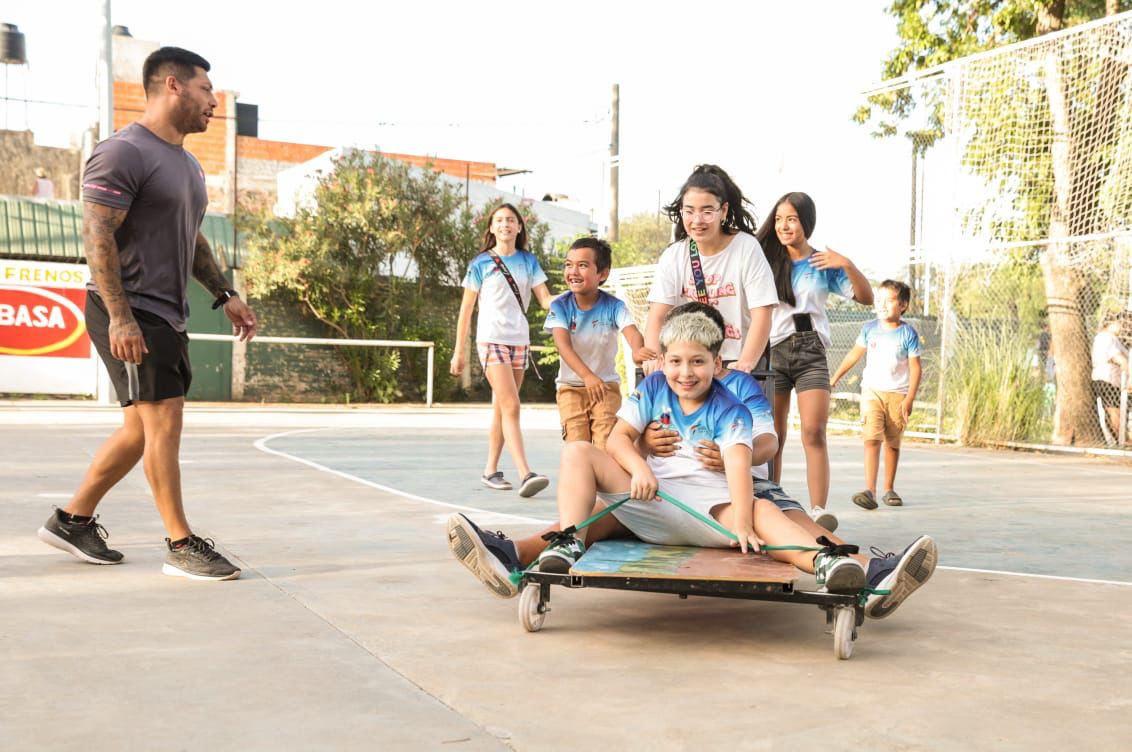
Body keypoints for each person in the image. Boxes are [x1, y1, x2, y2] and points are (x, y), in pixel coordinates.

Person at [448, 304, 937, 620]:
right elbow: (618, 438)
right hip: (653, 498)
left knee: (774, 518)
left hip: (712, 503)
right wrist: (639, 461)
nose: (685, 372)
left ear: (717, 364)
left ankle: (843, 567)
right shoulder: (655, 385)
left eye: (698, 362)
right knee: (579, 454)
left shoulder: (734, 402)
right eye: (676, 361)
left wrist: (743, 522)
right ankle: (546, 547)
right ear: (663, 359)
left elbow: (750, 464)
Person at [36, 47, 257, 581]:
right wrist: (121, 316)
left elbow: (190, 236)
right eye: (207, 91)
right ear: (173, 86)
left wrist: (223, 291)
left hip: (165, 310)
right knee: (164, 420)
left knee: (141, 428)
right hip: (129, 306)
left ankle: (72, 520)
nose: (213, 104)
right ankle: (181, 543)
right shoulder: (123, 152)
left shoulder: (186, 163)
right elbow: (97, 234)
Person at [755, 192, 873, 532]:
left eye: (791, 219)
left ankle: (818, 509)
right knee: (773, 432)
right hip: (773, 350)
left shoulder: (822, 263)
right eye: (778, 219)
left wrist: (846, 264)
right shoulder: (764, 260)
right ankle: (770, 500)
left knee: (813, 432)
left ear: (806, 221)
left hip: (811, 353)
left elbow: (866, 298)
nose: (783, 226)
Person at [450, 202, 553, 497]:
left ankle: (490, 471)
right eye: (499, 220)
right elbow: (466, 310)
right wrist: (459, 351)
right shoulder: (480, 263)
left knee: (501, 408)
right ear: (492, 228)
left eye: (511, 220)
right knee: (511, 406)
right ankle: (525, 473)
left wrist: (576, 297)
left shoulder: (529, 261)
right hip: (491, 340)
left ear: (519, 227)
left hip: (519, 340)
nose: (505, 224)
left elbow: (545, 299)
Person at [643, 164, 778, 376]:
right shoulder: (674, 255)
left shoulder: (746, 247)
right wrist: (653, 357)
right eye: (689, 211)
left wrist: (746, 362)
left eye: (707, 211)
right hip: (689, 364)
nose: (697, 220)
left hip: (735, 363)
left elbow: (762, 313)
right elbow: (657, 315)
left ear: (723, 211)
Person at [545, 237, 653, 448]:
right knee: (578, 448)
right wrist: (587, 376)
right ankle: (582, 481)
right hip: (570, 388)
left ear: (602, 274)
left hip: (605, 388)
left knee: (606, 445)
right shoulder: (560, 306)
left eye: (583, 265)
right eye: (569, 264)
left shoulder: (614, 306)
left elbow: (631, 332)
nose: (573, 271)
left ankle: (605, 481)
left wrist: (638, 350)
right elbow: (563, 345)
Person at [831, 280, 922, 509]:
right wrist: (835, 377)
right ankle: (869, 490)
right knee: (871, 439)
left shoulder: (908, 333)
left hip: (898, 395)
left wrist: (909, 398)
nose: (881, 305)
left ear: (902, 305)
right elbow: (854, 354)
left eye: (889, 300)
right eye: (879, 300)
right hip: (871, 392)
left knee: (892, 443)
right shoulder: (869, 329)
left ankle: (888, 489)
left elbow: (915, 368)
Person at [1091, 312, 1130, 443]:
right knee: (1114, 413)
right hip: (1108, 380)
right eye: (1120, 323)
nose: (1123, 326)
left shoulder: (1107, 338)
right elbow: (1119, 359)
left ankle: (1121, 440)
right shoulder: (1108, 338)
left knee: (1113, 412)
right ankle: (1123, 441)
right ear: (1111, 323)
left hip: (1109, 380)